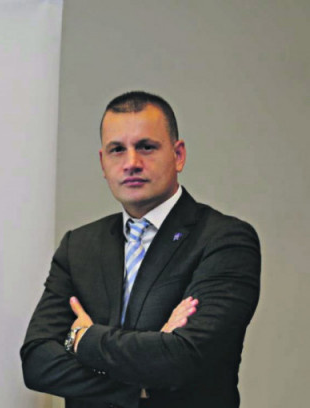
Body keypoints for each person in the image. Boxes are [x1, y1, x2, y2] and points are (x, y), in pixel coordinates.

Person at [21, 91, 260, 408]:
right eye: (117, 150)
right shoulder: (78, 246)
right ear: (103, 163)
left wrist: (81, 338)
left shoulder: (225, 240)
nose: (131, 163)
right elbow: (37, 362)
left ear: (178, 155)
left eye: (146, 147)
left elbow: (183, 358)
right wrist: (140, 386)